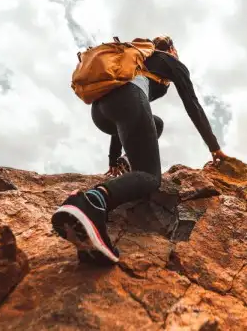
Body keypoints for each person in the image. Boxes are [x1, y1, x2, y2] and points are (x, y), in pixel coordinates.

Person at [51, 35, 230, 265]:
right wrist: (214, 146)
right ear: (172, 49)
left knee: (156, 124)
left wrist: (114, 158)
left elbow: (121, 111)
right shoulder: (170, 61)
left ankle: (89, 233)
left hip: (101, 111)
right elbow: (192, 104)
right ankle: (90, 203)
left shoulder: (137, 59)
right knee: (149, 177)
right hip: (128, 101)